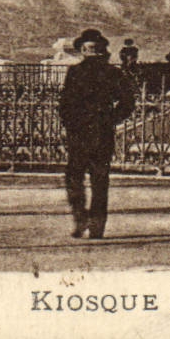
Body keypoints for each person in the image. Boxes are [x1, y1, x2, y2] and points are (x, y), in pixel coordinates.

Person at [57, 28, 136, 240]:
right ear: (81, 50)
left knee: (97, 179)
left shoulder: (112, 73)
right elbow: (65, 103)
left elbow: (128, 102)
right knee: (77, 178)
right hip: (81, 131)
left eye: (93, 48)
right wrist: (69, 122)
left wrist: (110, 118)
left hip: (99, 132)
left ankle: (95, 224)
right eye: (85, 48)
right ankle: (82, 218)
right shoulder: (75, 72)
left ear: (100, 50)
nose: (89, 52)